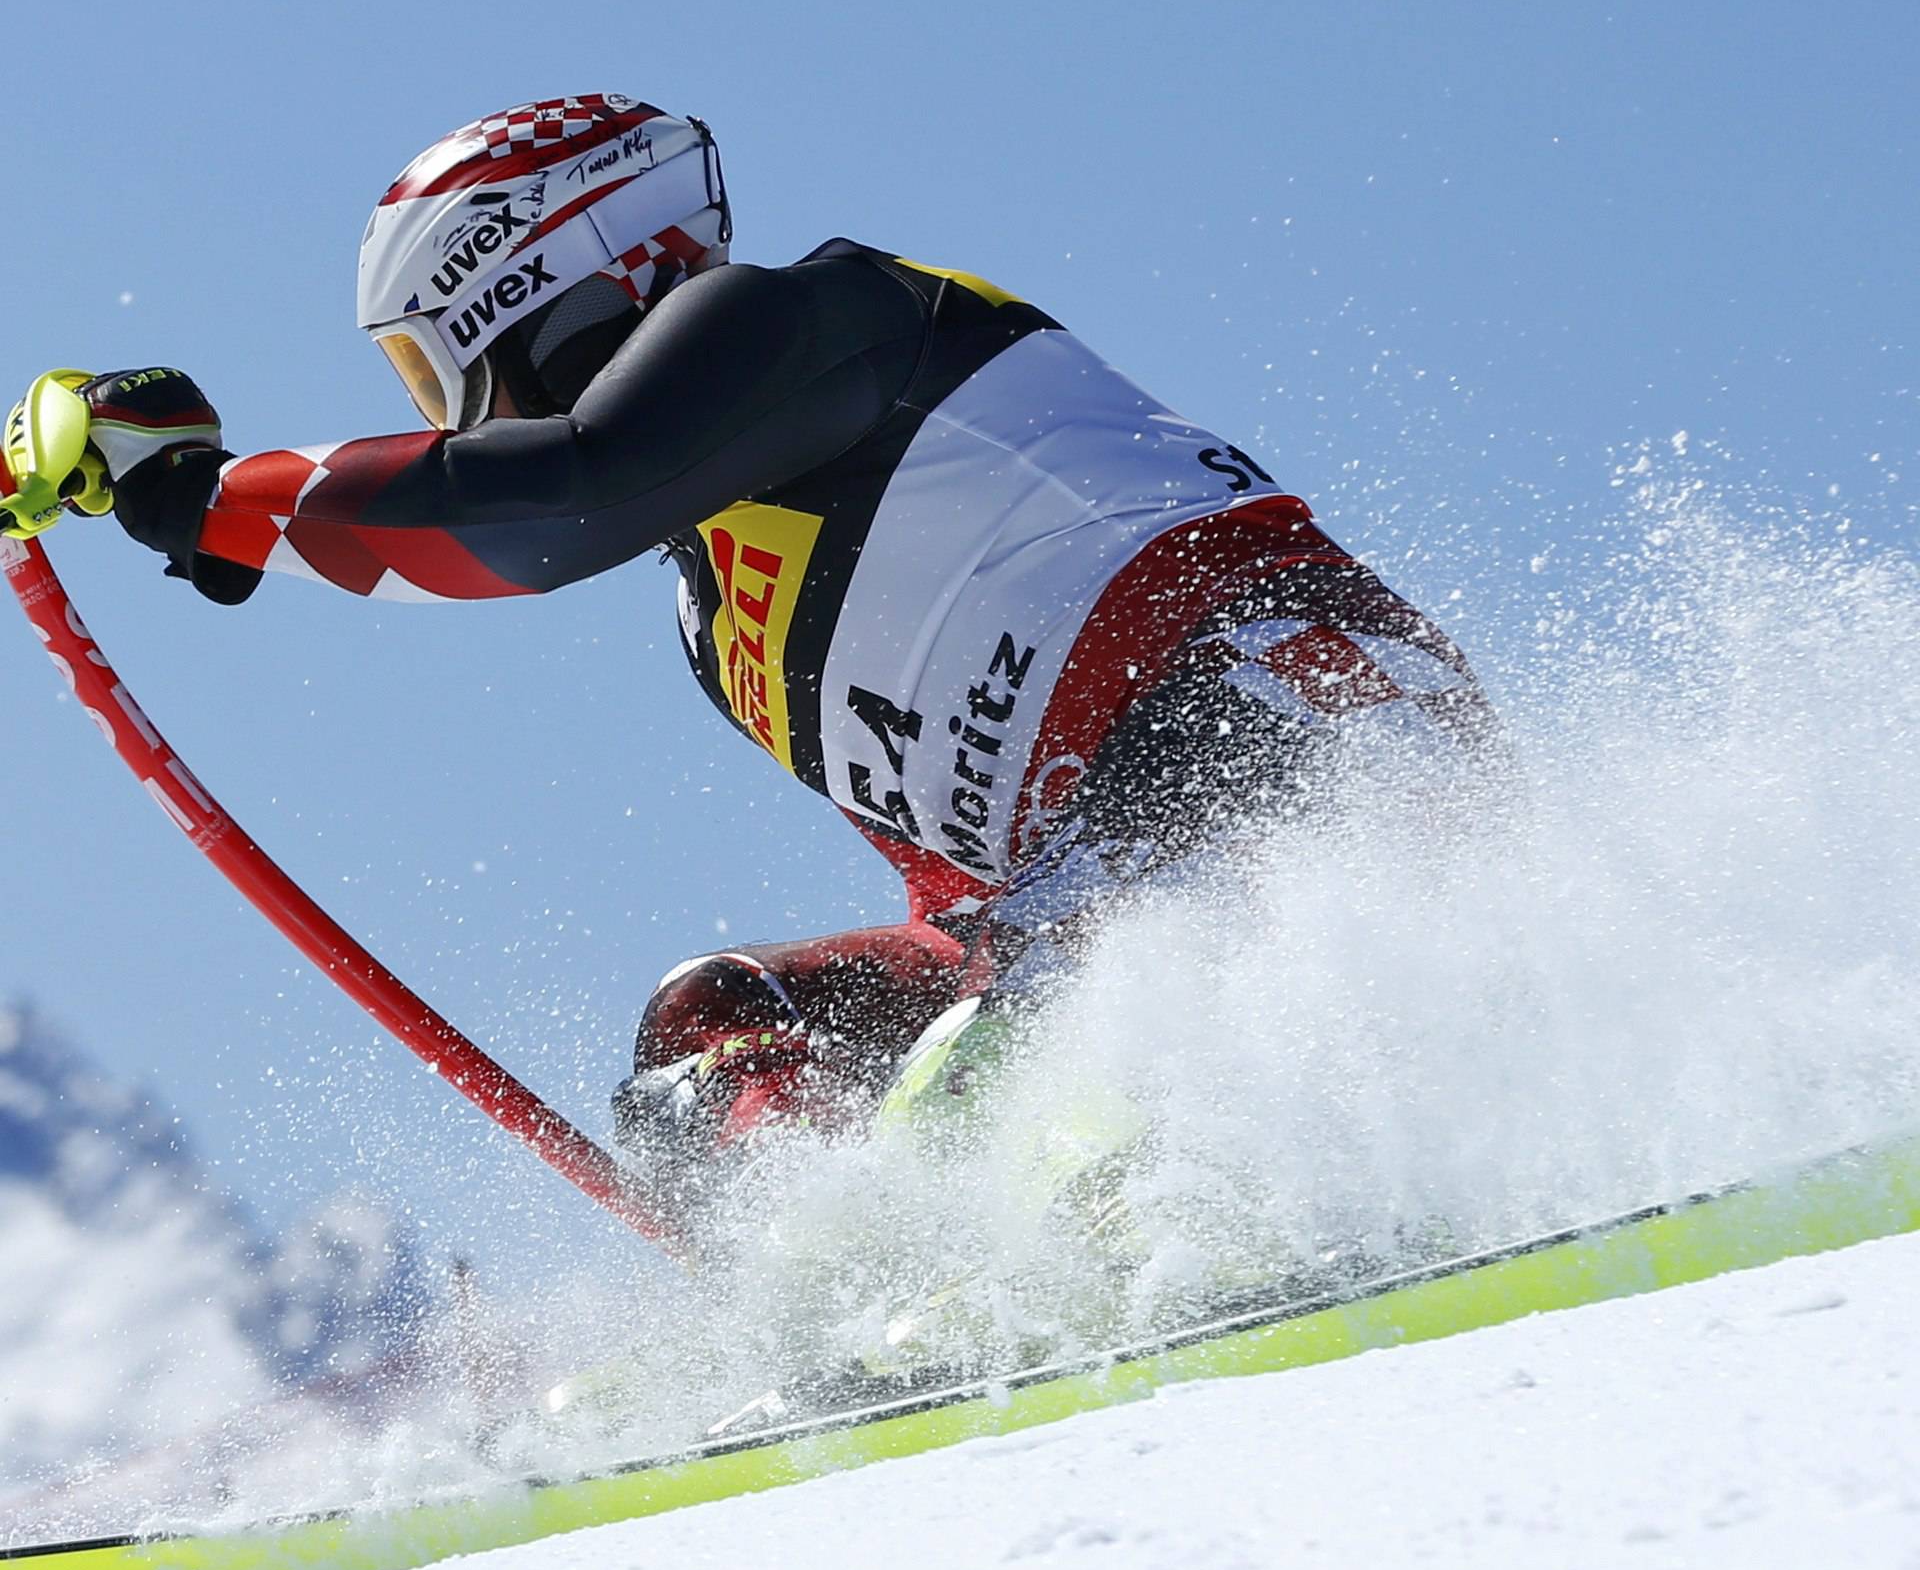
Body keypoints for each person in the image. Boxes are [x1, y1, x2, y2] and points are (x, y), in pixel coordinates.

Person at [68, 93, 1497, 1192]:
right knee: (723, 1037)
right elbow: (966, 881)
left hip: (1295, 733)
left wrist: (217, 501)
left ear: (545, 281)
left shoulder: (801, 315)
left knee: (1033, 1077)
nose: (454, 413)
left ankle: (1160, 1215)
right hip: (1087, 878)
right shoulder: (721, 619)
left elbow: (556, 496)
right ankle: (841, 1324)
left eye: (442, 360)